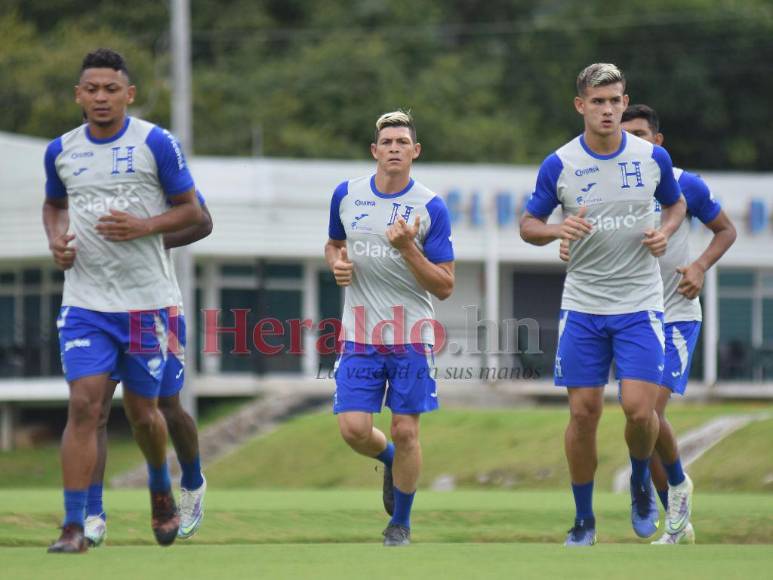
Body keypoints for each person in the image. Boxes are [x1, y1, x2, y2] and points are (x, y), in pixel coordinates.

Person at [43, 48, 203, 553]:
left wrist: (145, 226)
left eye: (111, 89)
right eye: (91, 89)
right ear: (78, 95)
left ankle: (166, 484)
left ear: (128, 94)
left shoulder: (156, 143)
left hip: (149, 304)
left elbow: (196, 215)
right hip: (85, 303)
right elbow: (53, 204)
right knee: (85, 406)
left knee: (151, 412)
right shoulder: (61, 151)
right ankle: (78, 523)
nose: (101, 97)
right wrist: (56, 239)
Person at [519, 63, 686, 546]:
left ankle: (640, 479)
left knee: (639, 411)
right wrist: (558, 228)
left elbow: (675, 204)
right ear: (581, 106)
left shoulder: (651, 157)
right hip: (583, 305)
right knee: (583, 414)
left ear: (624, 100)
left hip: (639, 303)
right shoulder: (560, 163)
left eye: (615, 100)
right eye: (598, 101)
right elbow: (529, 225)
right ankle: (584, 519)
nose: (608, 110)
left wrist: (665, 231)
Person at [324, 110, 454, 546]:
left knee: (406, 428)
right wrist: (337, 264)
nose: (394, 148)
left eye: (402, 142)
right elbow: (333, 244)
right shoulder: (346, 194)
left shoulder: (431, 207)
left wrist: (408, 250)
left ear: (416, 151)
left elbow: (445, 285)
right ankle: (390, 458)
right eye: (387, 142)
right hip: (359, 335)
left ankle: (400, 523)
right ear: (374, 150)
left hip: (411, 337)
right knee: (354, 430)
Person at [618, 104, 736, 543]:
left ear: (658, 141)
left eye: (640, 134)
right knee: (640, 424)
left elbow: (725, 230)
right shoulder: (610, 187)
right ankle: (677, 519)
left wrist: (700, 266)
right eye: (626, 135)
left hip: (675, 318)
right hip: (630, 321)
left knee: (649, 413)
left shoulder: (685, 183)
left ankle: (679, 485)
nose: (633, 142)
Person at [84, 190, 213, 546]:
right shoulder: (83, 175)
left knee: (167, 407)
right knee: (93, 410)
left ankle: (192, 482)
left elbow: (203, 222)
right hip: (99, 309)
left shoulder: (157, 167)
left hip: (156, 308)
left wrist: (146, 241)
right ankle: (92, 515)